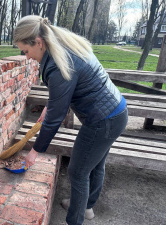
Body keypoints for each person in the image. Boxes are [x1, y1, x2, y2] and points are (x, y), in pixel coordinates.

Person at [13, 15, 128, 225]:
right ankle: (87, 207)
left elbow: (56, 118)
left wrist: (35, 151)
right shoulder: (64, 45)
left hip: (103, 120)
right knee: (95, 164)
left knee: (78, 171)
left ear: (38, 43)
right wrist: (49, 106)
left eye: (26, 51)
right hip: (116, 112)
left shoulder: (58, 63)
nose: (27, 56)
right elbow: (65, 90)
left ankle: (75, 220)